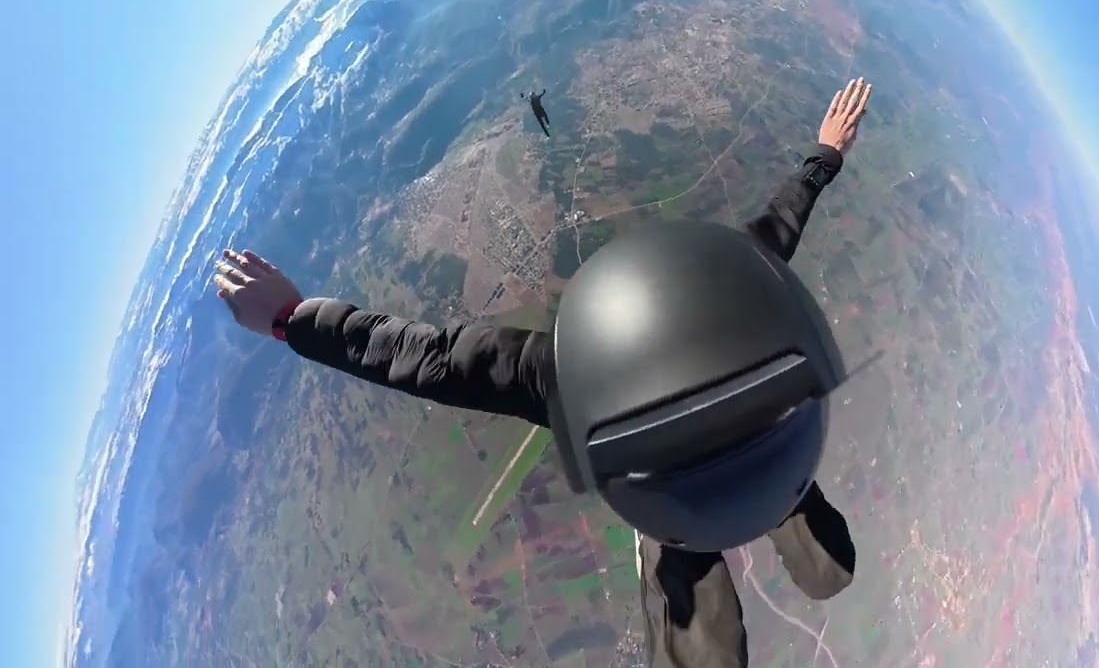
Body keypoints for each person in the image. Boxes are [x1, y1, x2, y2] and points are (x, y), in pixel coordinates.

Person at [213, 78, 874, 667]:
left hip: (702, 496)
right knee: (764, 475)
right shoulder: (735, 294)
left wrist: (291, 319)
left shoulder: (566, 376)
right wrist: (825, 155)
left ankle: (733, 578)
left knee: (688, 572)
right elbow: (782, 221)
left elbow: (420, 356)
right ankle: (804, 541)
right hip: (770, 466)